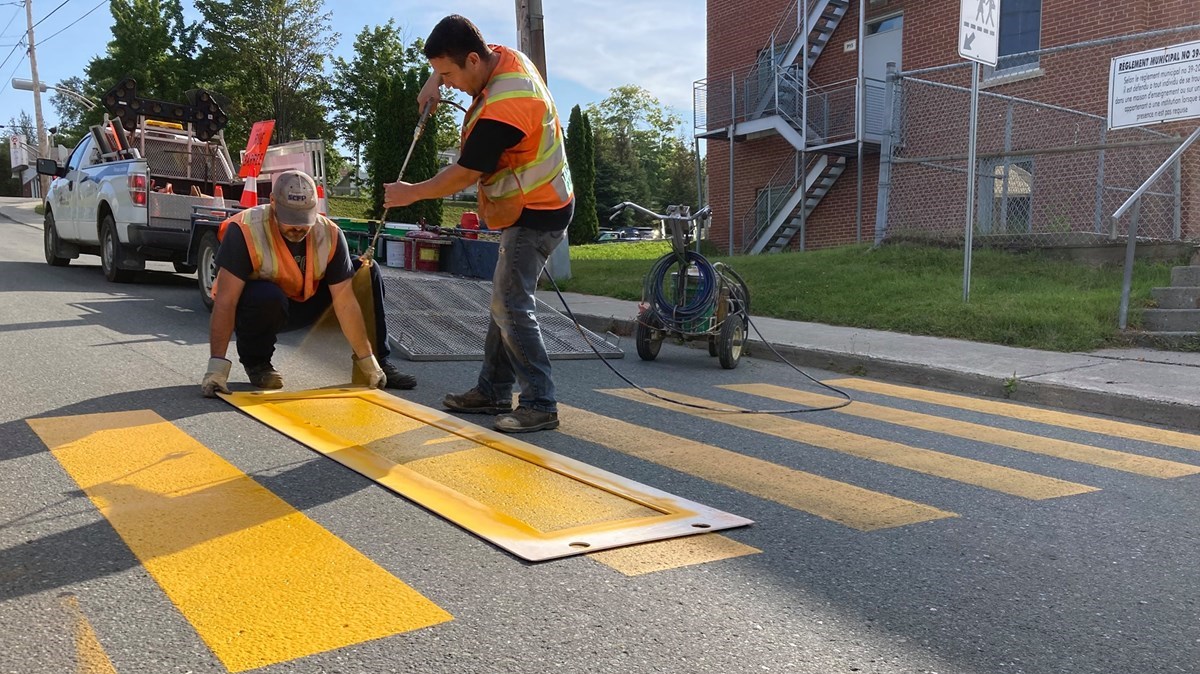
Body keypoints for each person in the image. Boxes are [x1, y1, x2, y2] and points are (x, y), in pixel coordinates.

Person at [384, 14, 573, 433]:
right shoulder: (506, 59)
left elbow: (464, 174)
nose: (444, 82)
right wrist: (433, 80)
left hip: (537, 211)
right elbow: (473, 52)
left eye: (447, 73)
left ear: (472, 60)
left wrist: (409, 192)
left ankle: (541, 402)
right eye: (439, 74)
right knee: (504, 301)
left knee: (509, 304)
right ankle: (492, 391)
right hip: (538, 201)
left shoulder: (506, 106)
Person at [201, 169, 417, 397]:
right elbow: (226, 301)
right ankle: (258, 364)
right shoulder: (245, 230)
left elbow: (344, 301)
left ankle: (378, 363)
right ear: (273, 203)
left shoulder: (329, 233)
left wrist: (367, 360)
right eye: (290, 221)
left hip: (308, 302)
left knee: (366, 271)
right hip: (265, 309)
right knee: (266, 296)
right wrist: (216, 368)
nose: (298, 228)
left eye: (304, 221)